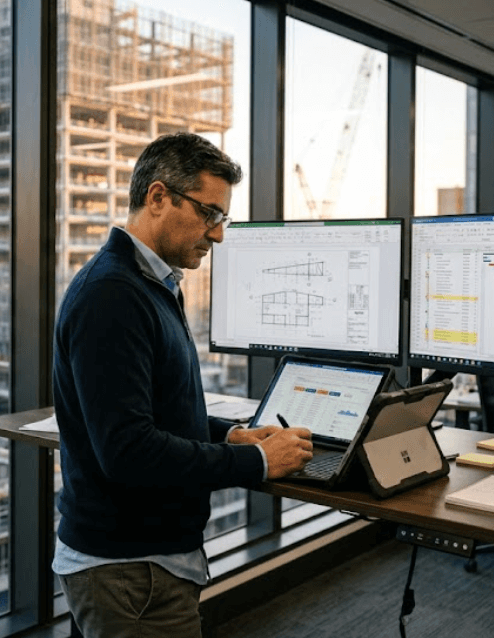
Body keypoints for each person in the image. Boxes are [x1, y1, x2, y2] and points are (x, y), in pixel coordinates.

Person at [52, 132, 314, 638]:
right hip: (128, 570)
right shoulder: (112, 296)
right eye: (208, 214)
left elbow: (155, 411)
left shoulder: (147, 284)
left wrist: (228, 435)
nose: (217, 235)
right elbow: (128, 452)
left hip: (141, 564)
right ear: (157, 198)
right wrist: (256, 462)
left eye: (222, 218)